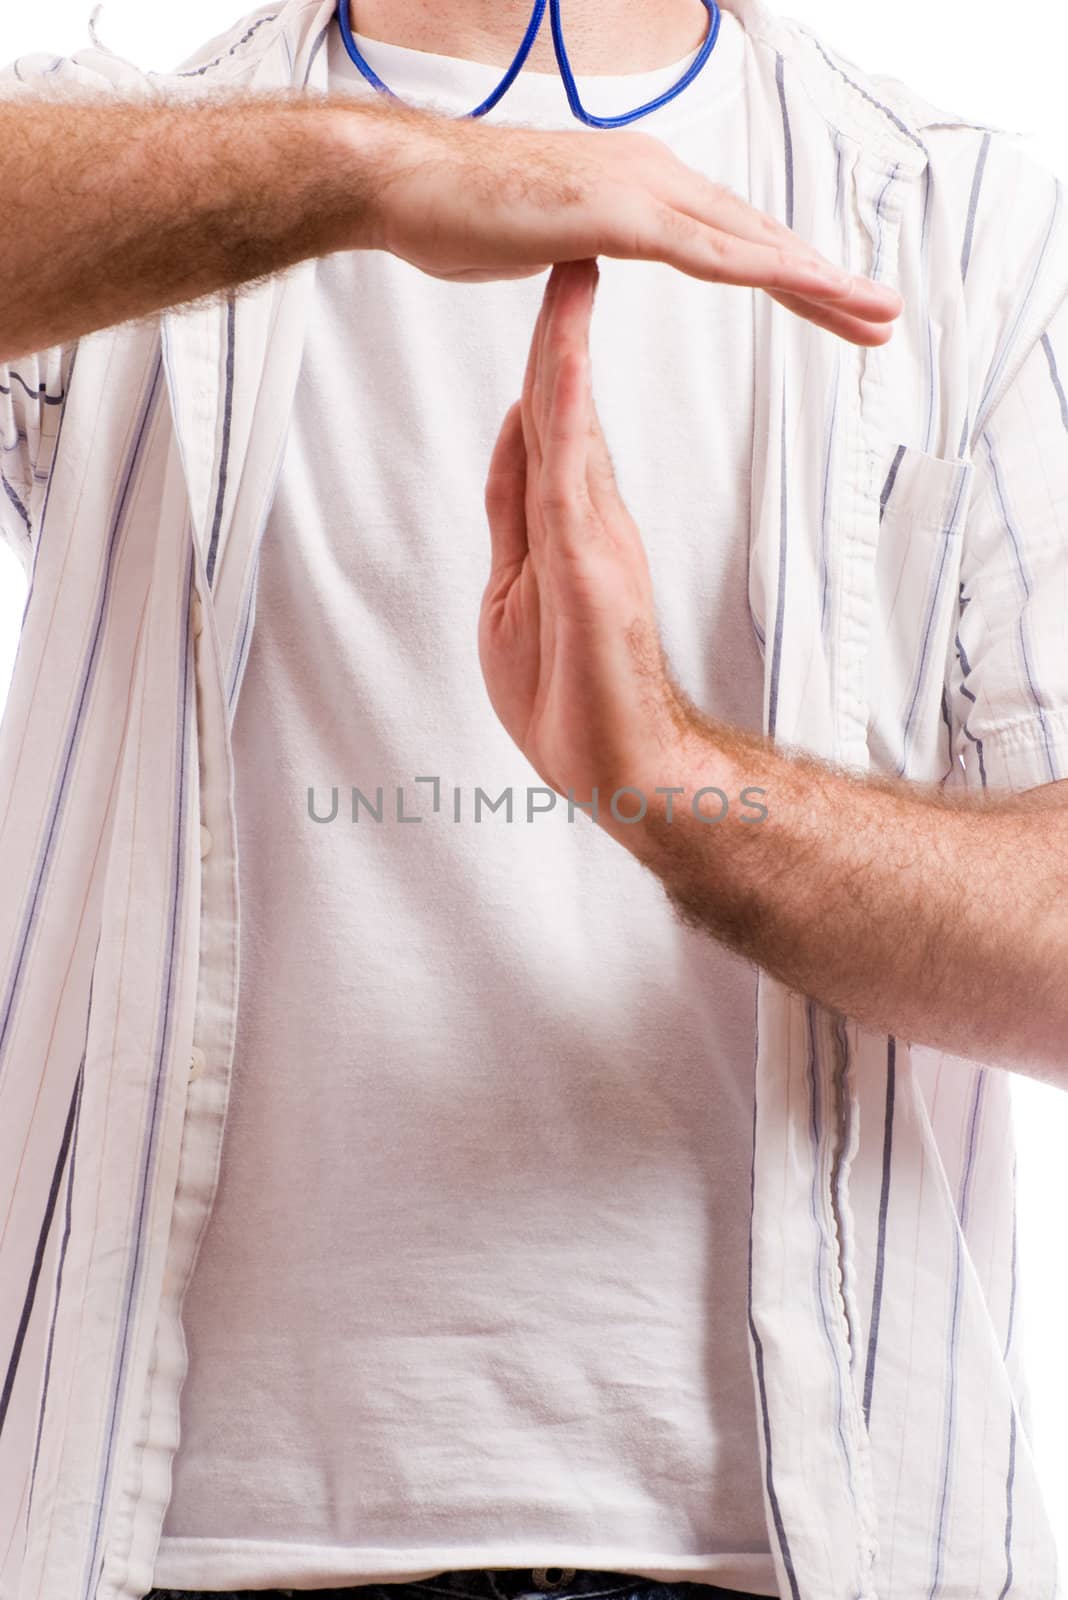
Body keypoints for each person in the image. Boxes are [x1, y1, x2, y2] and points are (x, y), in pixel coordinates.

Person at [0, 0, 1065, 1597]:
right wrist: (360, 170)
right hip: (165, 1544)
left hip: (804, 1545)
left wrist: (676, 785)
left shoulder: (969, 224)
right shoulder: (144, 168)